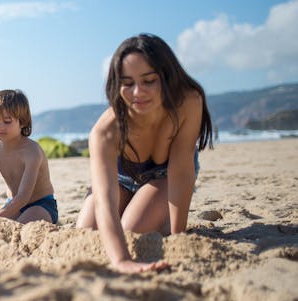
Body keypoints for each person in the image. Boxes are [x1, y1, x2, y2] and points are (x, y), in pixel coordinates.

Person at [76, 33, 214, 274]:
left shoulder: (189, 101)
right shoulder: (105, 132)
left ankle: (149, 210)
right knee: (86, 234)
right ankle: (134, 202)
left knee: (130, 231)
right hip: (119, 179)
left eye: (149, 80)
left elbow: (181, 170)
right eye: (127, 83)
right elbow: (104, 202)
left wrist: (178, 235)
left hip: (164, 176)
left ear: (166, 76)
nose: (138, 92)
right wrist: (121, 261)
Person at [0, 89, 58, 224]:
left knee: (21, 226)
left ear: (22, 122)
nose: (0, 127)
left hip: (41, 205)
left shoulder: (32, 151)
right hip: (12, 205)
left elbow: (24, 196)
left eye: (7, 121)